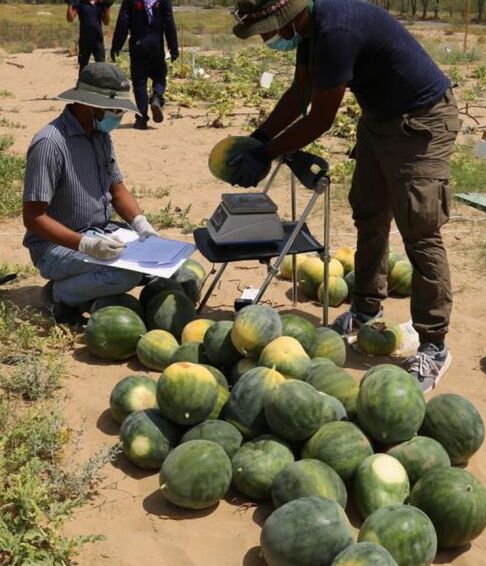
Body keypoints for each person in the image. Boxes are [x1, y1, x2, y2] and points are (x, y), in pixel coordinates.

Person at [228, 0, 461, 391]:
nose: (266, 38)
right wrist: (258, 139)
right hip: (379, 122)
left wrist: (267, 154)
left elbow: (319, 119)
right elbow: (299, 93)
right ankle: (366, 308)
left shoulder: (336, 31)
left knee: (419, 231)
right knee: (369, 215)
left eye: (267, 28)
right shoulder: (310, 30)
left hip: (422, 121)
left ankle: (434, 343)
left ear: (286, 17)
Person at [22, 63, 159, 326]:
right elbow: (34, 218)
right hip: (56, 247)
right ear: (89, 104)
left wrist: (142, 225)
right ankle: (58, 293)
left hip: (101, 233)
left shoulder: (100, 136)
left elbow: (117, 189)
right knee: (126, 276)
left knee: (156, 268)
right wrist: (85, 245)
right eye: (115, 109)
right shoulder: (50, 144)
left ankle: (85, 292)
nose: (118, 115)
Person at [110, 0, 179, 130]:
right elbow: (169, 23)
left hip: (138, 45)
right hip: (156, 45)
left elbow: (123, 23)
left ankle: (141, 118)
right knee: (159, 76)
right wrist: (173, 48)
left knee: (139, 82)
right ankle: (157, 97)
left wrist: (116, 46)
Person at [67, 0, 113, 69]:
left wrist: (107, 7)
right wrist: (70, 4)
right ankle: (83, 80)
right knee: (83, 65)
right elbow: (70, 19)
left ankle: (99, 80)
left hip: (98, 39)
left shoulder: (100, 4)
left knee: (101, 65)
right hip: (84, 40)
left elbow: (106, 22)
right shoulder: (80, 3)